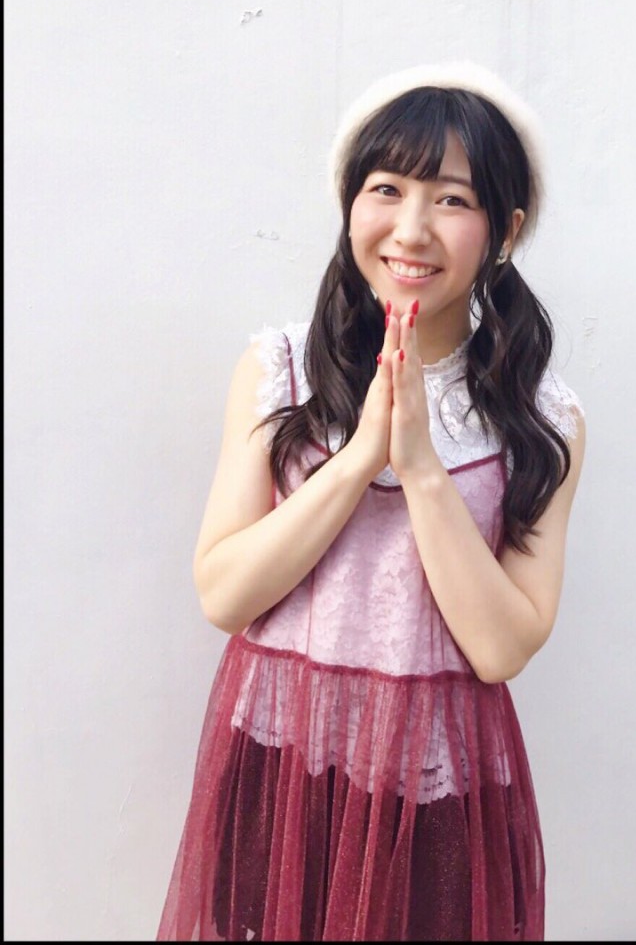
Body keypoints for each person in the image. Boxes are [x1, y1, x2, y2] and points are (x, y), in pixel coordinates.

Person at [156, 61, 586, 942]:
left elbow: (502, 646)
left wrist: (421, 469)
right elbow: (225, 594)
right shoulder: (281, 370)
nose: (412, 228)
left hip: (436, 788)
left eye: (453, 200)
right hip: (282, 764)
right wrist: (358, 460)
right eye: (387, 189)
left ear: (506, 229)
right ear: (351, 203)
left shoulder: (543, 418)